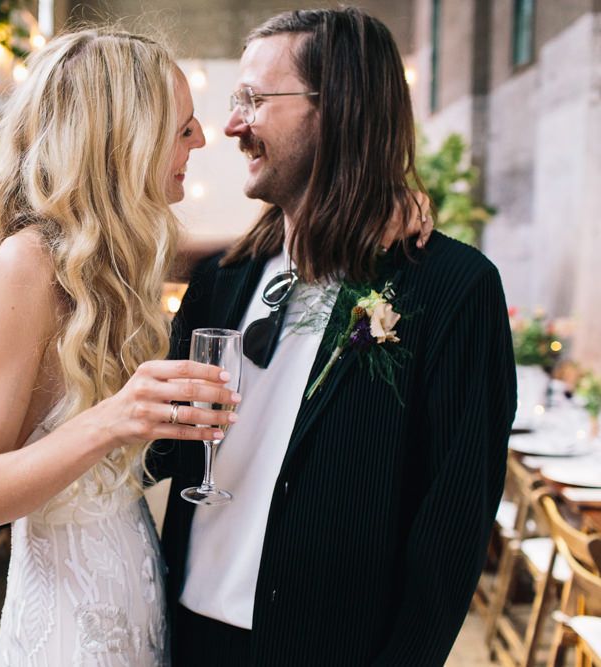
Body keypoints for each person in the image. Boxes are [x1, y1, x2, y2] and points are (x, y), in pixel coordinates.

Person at [152, 8, 517, 666]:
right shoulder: (221, 280)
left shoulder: (452, 289)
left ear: (339, 108)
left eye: (254, 100)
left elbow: (452, 531)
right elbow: (159, 454)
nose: (232, 125)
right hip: (189, 638)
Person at [0, 29, 241, 665]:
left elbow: (235, 251)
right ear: (124, 139)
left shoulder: (111, 258)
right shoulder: (27, 264)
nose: (201, 140)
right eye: (182, 127)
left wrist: (357, 220)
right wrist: (116, 418)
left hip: (133, 590)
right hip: (68, 628)